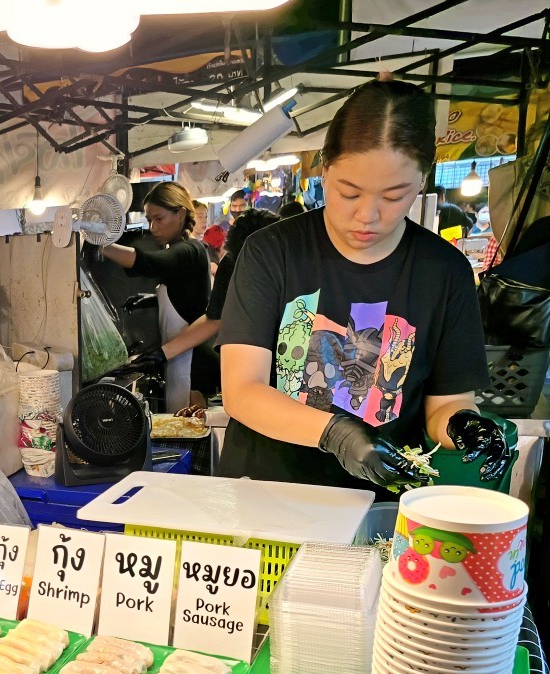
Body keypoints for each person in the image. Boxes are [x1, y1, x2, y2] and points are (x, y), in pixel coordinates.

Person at [217, 75, 509, 493]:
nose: (367, 216)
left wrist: (465, 425)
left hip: (378, 506)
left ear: (422, 182)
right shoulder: (272, 251)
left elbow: (446, 402)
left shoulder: (444, 270)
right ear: (325, 167)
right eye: (349, 193)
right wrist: (335, 433)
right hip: (267, 496)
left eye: (393, 197)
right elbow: (243, 390)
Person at [140, 208, 280, 398]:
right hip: (247, 365)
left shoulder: (294, 266)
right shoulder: (231, 264)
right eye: (248, 260)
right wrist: (162, 354)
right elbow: (214, 319)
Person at [99, 182, 211, 412]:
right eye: (149, 220)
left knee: (188, 430)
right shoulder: (186, 251)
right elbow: (185, 296)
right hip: (179, 357)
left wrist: (104, 246)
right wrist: (149, 299)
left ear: (180, 214)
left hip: (194, 365)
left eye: (159, 219)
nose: (152, 227)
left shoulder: (188, 251)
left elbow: (150, 263)